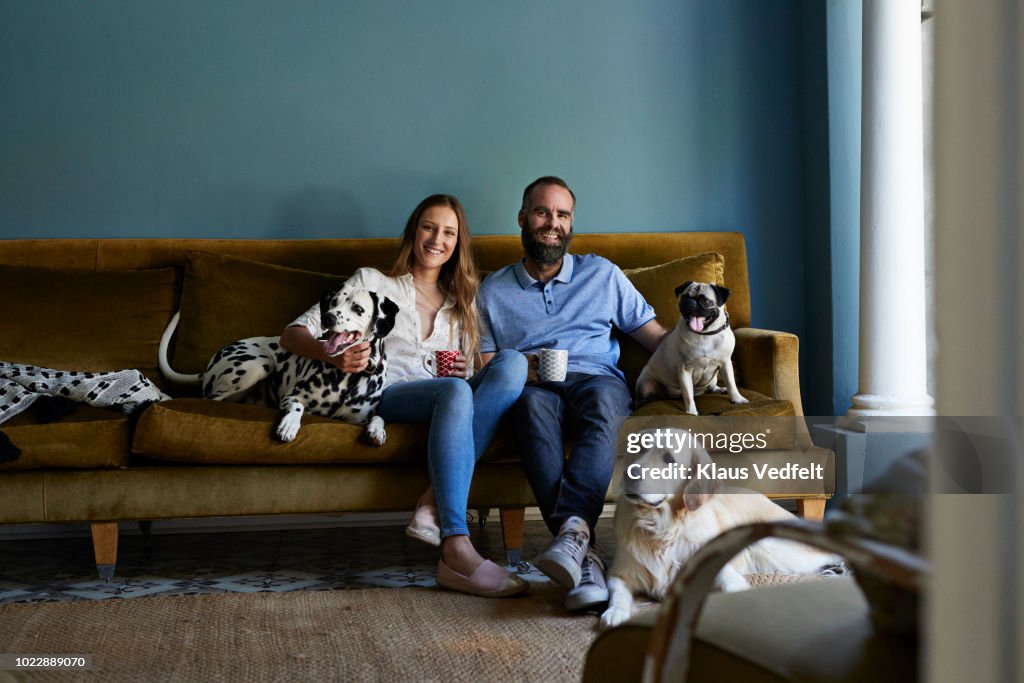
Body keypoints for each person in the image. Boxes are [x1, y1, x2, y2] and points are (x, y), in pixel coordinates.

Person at [281, 194, 529, 598]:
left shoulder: (464, 301)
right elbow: (293, 333)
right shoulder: (372, 283)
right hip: (388, 396)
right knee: (454, 391)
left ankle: (430, 505)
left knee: (512, 364)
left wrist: (471, 370)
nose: (437, 239)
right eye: (429, 227)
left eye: (449, 232)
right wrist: (336, 354)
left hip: (450, 397)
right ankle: (456, 546)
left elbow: (481, 371)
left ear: (458, 242)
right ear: (414, 231)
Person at [476, 177, 668, 611]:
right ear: (523, 219)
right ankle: (586, 556)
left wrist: (705, 344)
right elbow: (485, 365)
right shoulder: (492, 291)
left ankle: (573, 538)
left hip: (595, 377)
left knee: (605, 404)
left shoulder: (602, 274)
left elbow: (657, 338)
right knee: (528, 410)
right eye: (543, 213)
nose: (553, 224)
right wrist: (525, 368)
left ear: (571, 223)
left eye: (562, 215)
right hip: (532, 384)